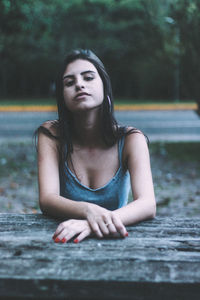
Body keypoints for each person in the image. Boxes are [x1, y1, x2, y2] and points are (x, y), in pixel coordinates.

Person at [36, 49, 156, 244]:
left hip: (115, 243)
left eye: (89, 77)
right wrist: (89, 211)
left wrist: (92, 223)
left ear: (104, 87)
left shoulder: (131, 139)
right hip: (62, 243)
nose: (80, 84)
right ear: (62, 97)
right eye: (69, 82)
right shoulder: (51, 135)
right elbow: (48, 199)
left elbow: (147, 204)